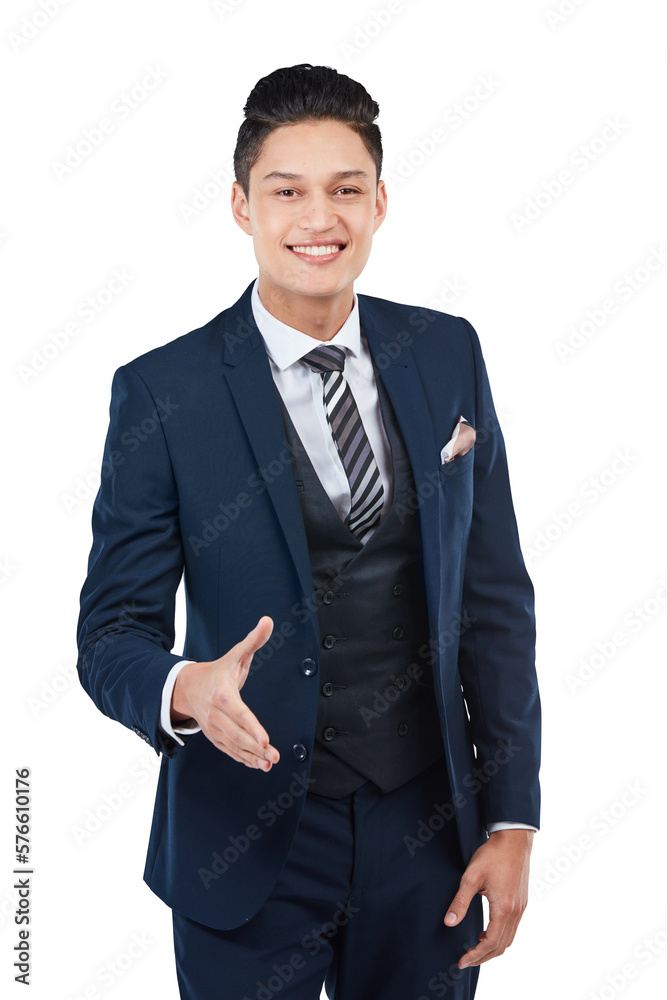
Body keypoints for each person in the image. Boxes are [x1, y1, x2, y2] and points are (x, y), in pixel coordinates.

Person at [76, 62, 541, 1000]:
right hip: (242, 847)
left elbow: (495, 603)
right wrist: (182, 688)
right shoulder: (165, 394)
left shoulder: (445, 350)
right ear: (243, 207)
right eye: (287, 192)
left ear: (379, 203)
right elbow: (109, 634)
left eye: (345, 190)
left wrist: (512, 821)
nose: (317, 219)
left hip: (428, 841)